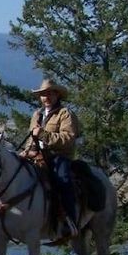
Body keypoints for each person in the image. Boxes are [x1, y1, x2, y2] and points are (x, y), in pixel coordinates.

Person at [24, 79, 80, 239]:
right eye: (43, 94)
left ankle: (69, 221)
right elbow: (31, 139)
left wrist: (43, 134)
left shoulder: (65, 114)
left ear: (57, 95)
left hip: (58, 156)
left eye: (50, 93)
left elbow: (68, 138)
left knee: (63, 180)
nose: (46, 97)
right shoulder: (37, 115)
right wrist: (26, 152)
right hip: (37, 156)